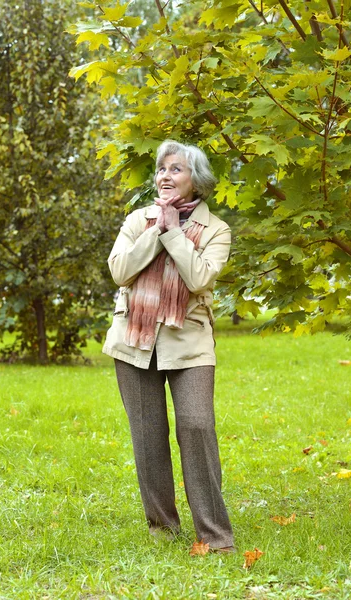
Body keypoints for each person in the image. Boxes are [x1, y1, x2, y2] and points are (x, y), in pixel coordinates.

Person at [103, 140, 235, 553]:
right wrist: (155, 230)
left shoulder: (217, 230)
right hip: (133, 341)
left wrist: (174, 232)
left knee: (197, 426)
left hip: (189, 343)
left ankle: (215, 537)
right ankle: (163, 529)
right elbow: (120, 271)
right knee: (148, 435)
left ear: (197, 179)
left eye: (176, 169)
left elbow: (198, 278)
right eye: (161, 169)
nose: (164, 176)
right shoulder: (136, 219)